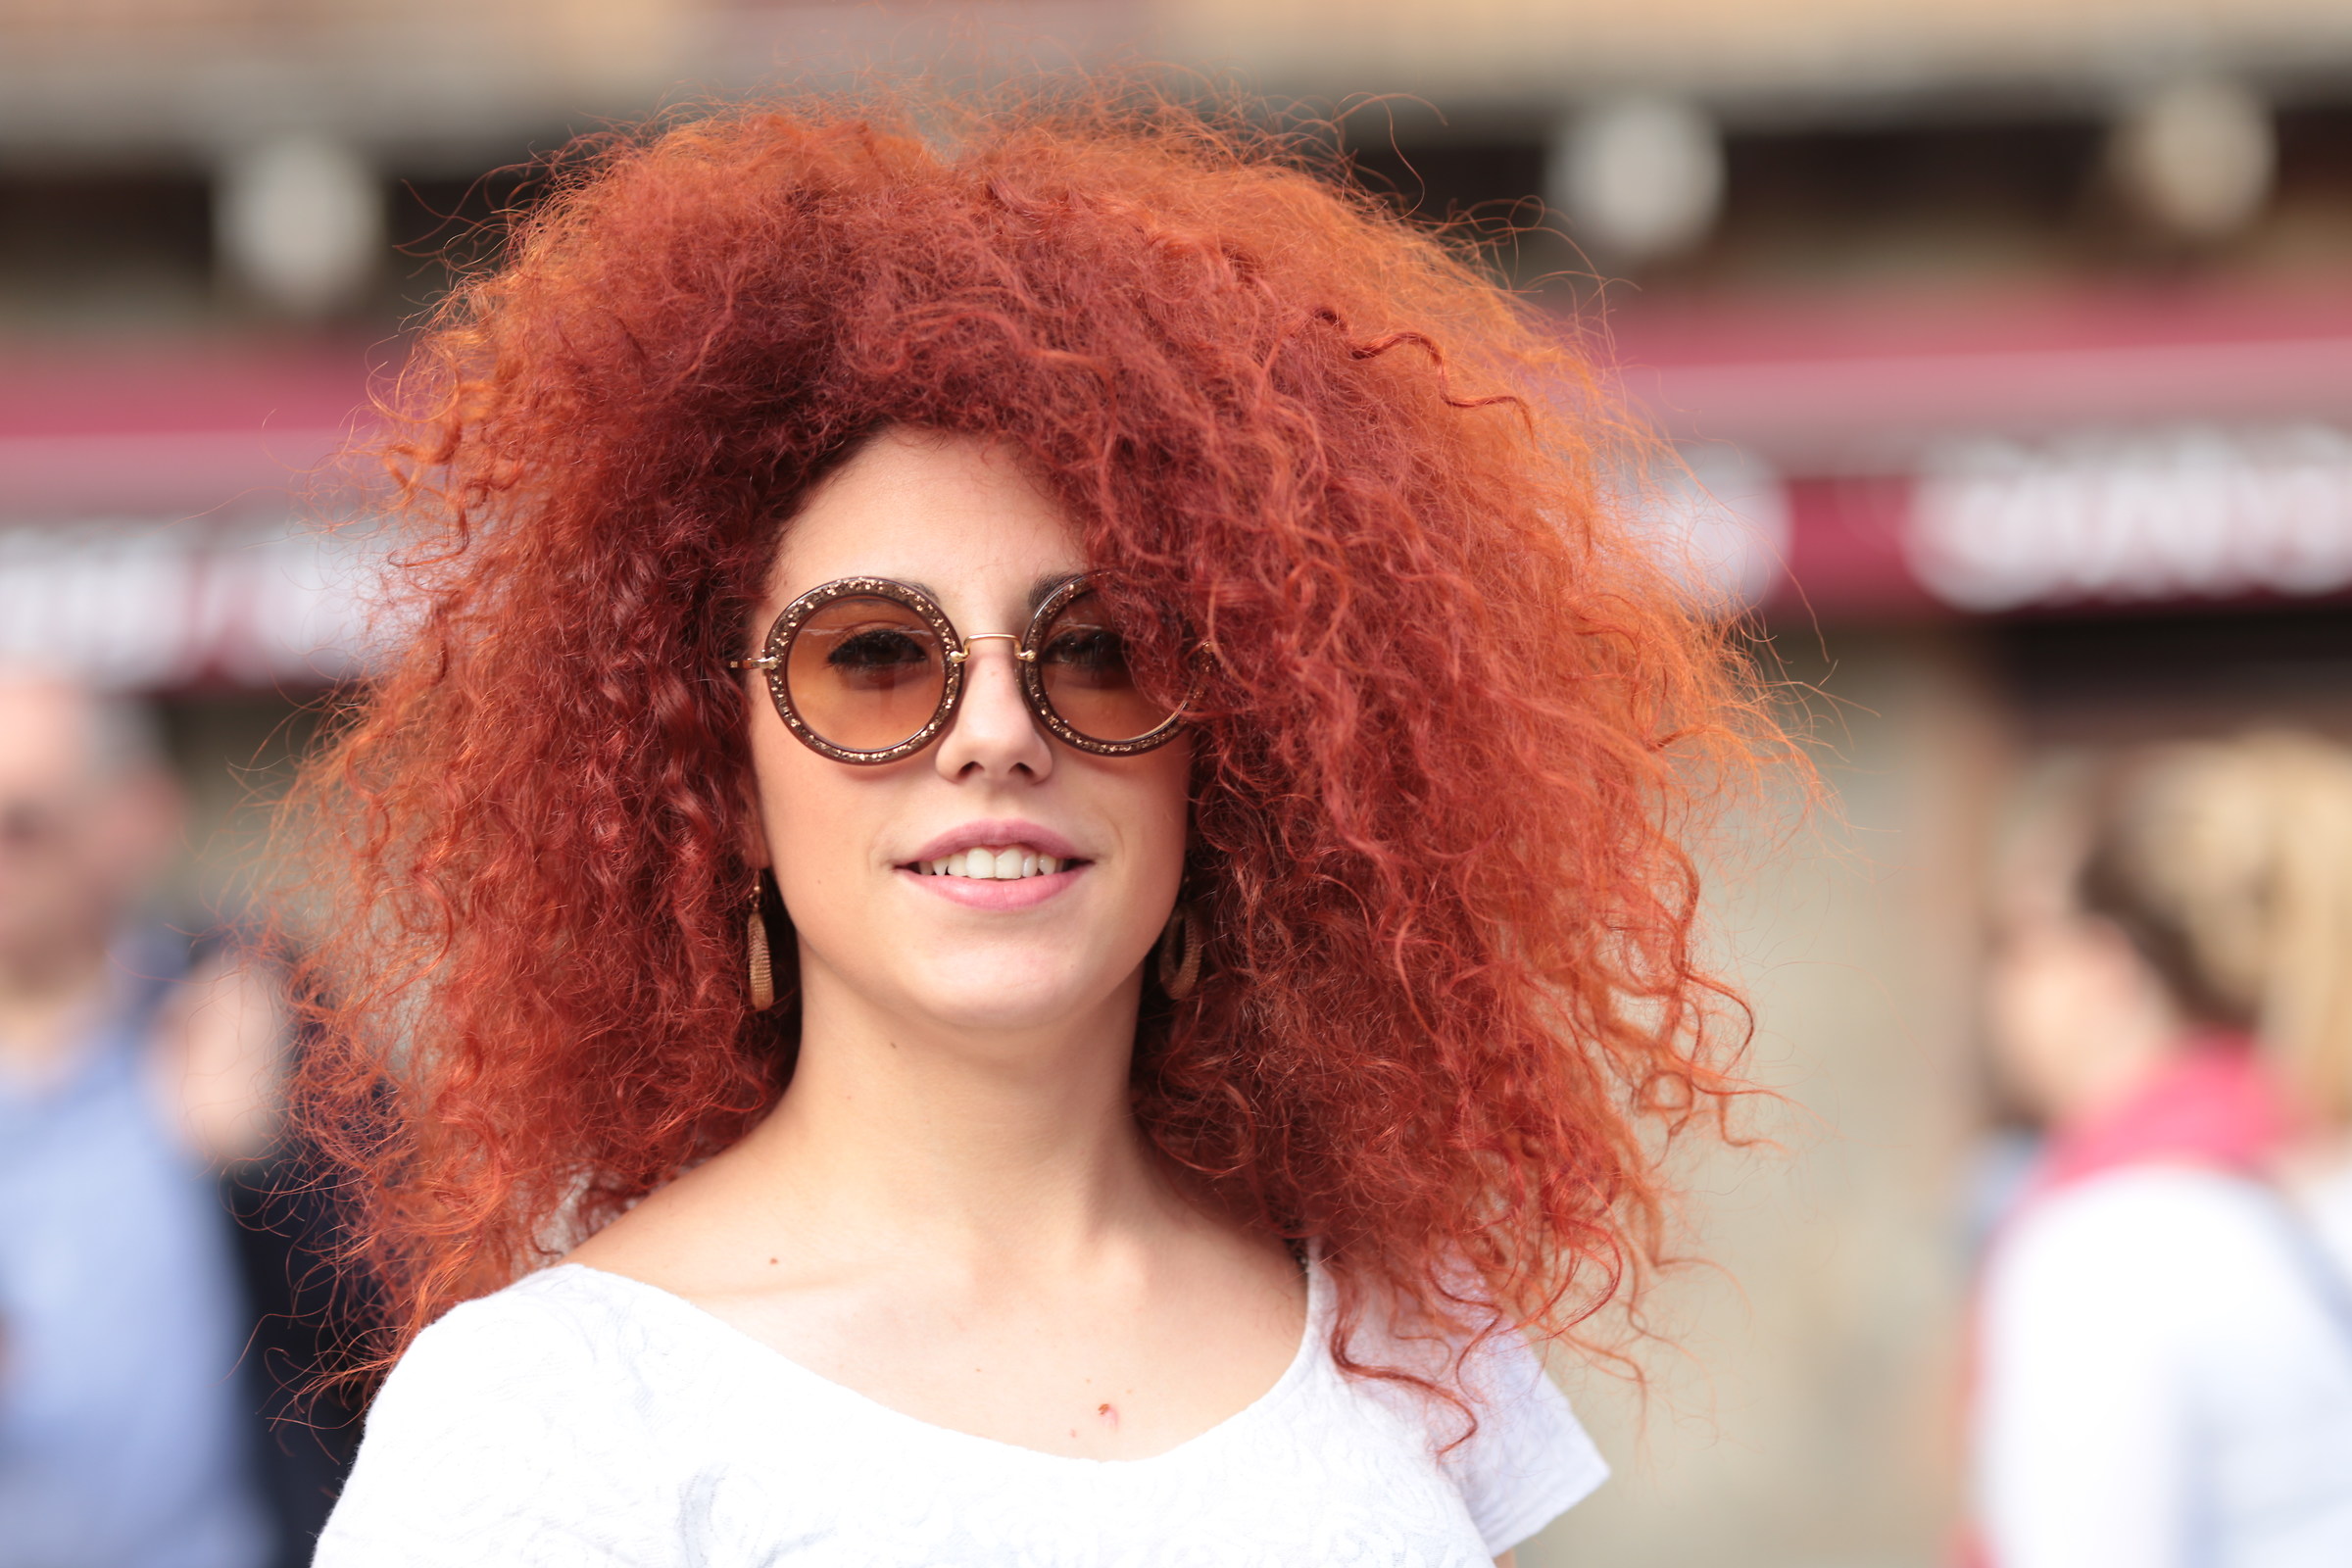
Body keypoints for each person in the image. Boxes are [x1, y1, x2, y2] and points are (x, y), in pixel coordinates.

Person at [296, 85, 1767, 1566]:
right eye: (870, 658)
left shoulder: (1402, 1330)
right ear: (720, 777)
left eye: (1101, 650)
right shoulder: (554, 1418)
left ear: (1228, 758)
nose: (995, 732)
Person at [1975, 731, 2352, 1568]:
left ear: (2102, 967)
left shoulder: (2111, 1247)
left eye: (2012, 938)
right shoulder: (2306, 1174)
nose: (1996, 986)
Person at [0, 672, 284, 1568]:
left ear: (130, 818)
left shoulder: (245, 1027)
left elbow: (401, 1315)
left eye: (18, 825)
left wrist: (270, 1170)